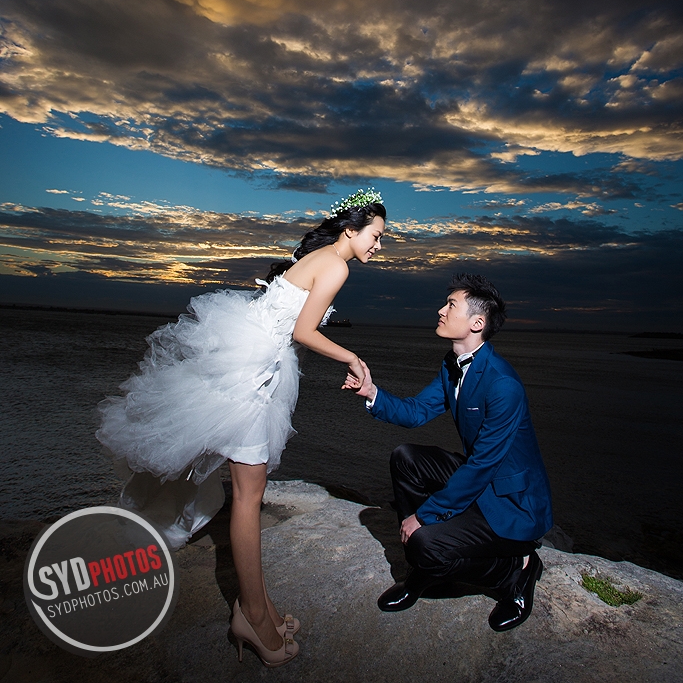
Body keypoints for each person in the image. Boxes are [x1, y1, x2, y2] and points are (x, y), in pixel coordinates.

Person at [97, 188, 385, 667]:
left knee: (250, 491)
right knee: (249, 497)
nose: (379, 245)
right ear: (351, 230)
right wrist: (353, 357)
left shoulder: (319, 257)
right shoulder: (337, 266)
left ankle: (262, 609)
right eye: (375, 235)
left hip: (252, 365)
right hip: (249, 377)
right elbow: (303, 332)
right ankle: (252, 616)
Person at [345, 273, 552, 632]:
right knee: (406, 458)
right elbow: (416, 411)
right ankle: (425, 565)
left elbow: (483, 464)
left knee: (424, 540)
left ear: (477, 323)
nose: (441, 310)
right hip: (483, 481)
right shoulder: (451, 365)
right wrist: (372, 392)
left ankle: (516, 570)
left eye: (451, 305)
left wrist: (424, 516)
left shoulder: (503, 384)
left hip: (513, 504)